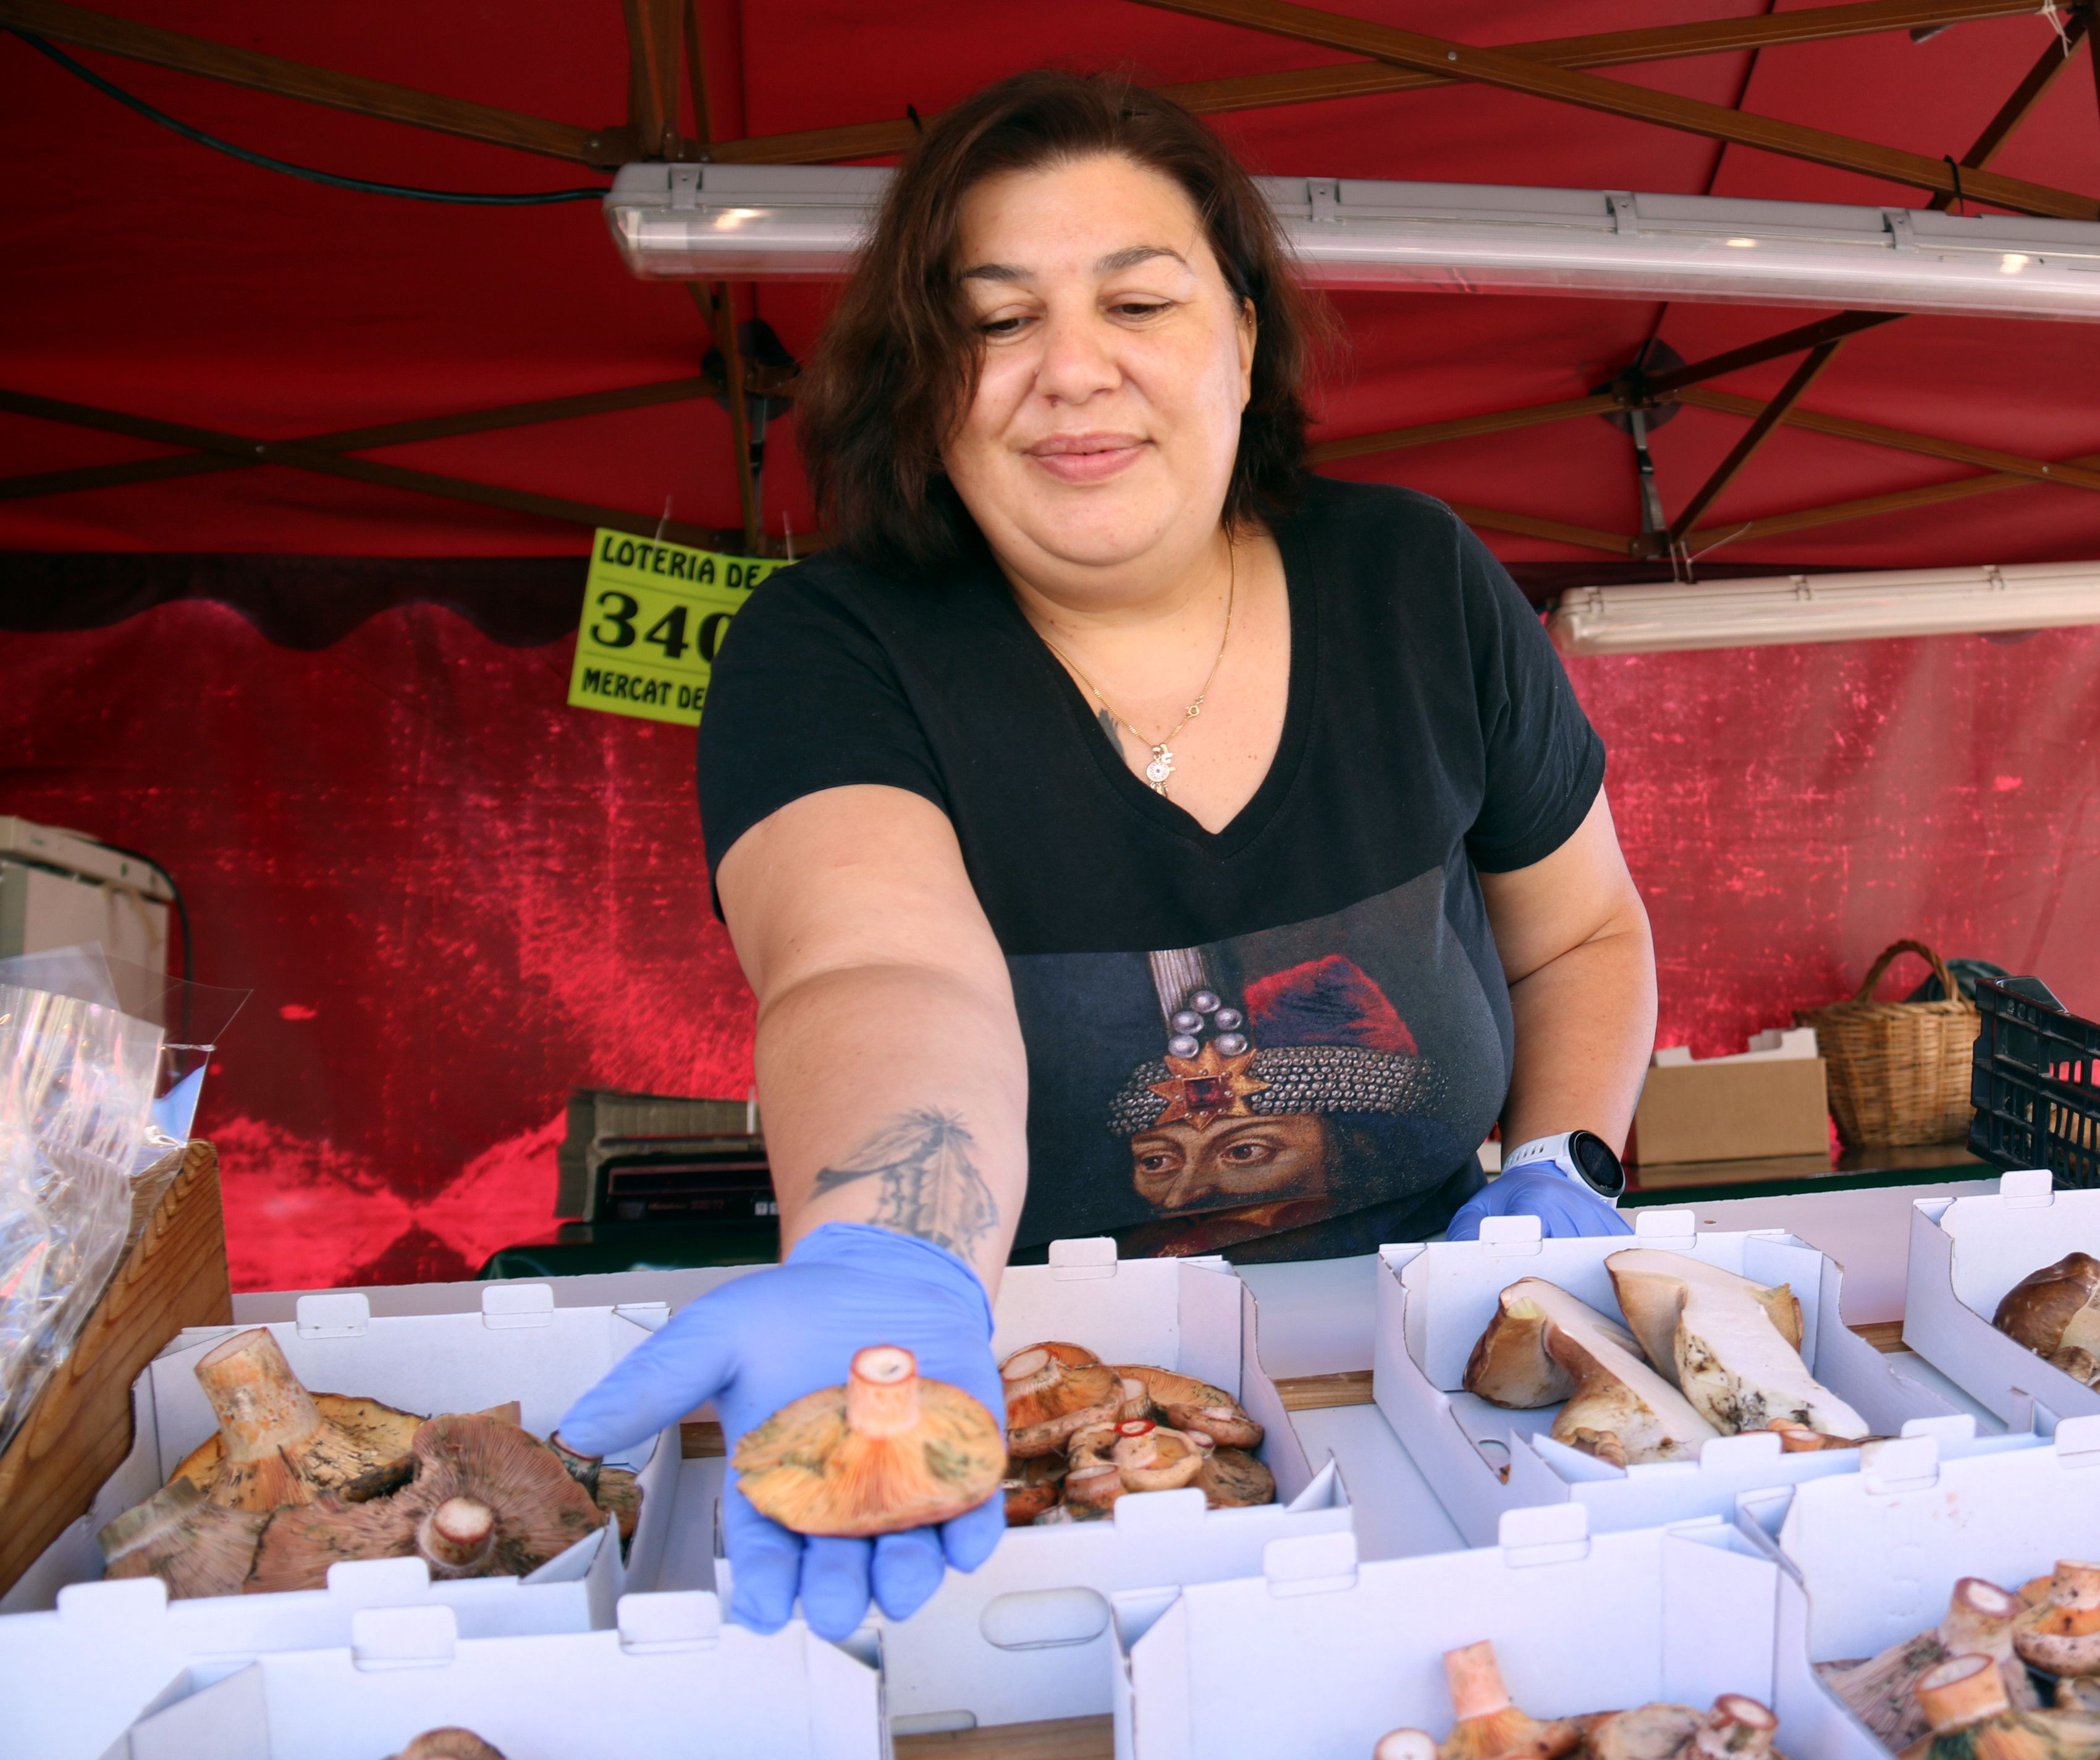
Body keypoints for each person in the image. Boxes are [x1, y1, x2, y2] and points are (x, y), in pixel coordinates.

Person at [558, 70, 1656, 1641]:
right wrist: (886, 1246)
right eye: (996, 321)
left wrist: (1563, 1162)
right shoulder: (827, 646)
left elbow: (1582, 935)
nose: (1071, 371)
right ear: (924, 378)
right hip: (1012, 1421)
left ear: (1245, 338)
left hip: (1443, 1404)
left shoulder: (1417, 581)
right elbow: (875, 959)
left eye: (1138, 300)